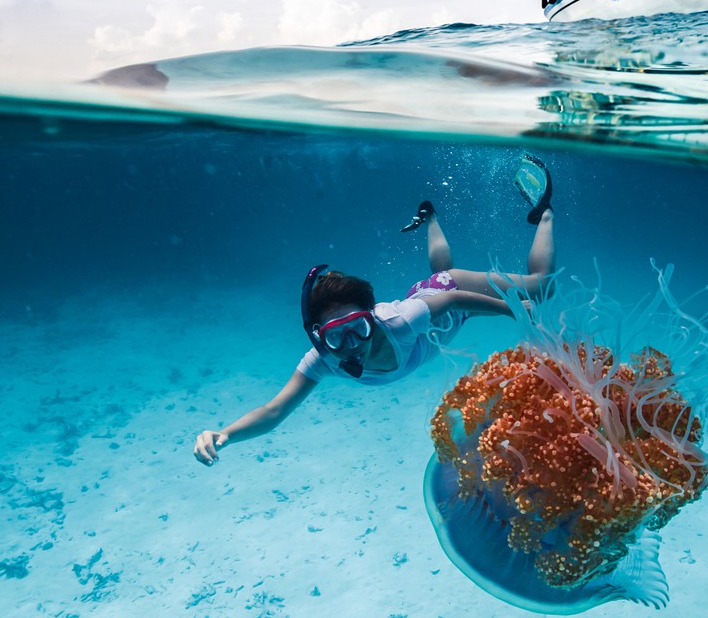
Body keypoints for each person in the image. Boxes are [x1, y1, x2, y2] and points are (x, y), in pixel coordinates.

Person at [192, 155, 558, 467]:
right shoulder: (323, 360)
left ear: (372, 318)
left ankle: (544, 212)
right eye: (336, 335)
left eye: (358, 328)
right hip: (429, 304)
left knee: (540, 288)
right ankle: (429, 217)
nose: (352, 344)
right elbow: (274, 412)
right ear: (319, 337)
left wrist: (511, 311)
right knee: (438, 276)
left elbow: (452, 299)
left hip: (444, 294)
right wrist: (224, 435)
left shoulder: (399, 322)